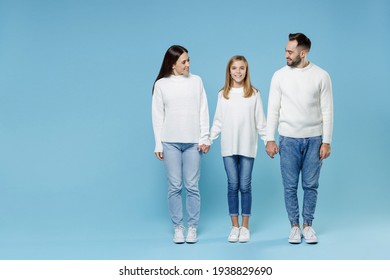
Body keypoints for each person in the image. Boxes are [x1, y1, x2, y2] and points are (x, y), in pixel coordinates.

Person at [265, 33, 333, 244]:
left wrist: (326, 141)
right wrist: (270, 138)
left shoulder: (321, 76)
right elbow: (273, 109)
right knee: (290, 186)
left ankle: (308, 226)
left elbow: (327, 110)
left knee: (311, 186)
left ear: (303, 53)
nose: (285, 54)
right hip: (288, 140)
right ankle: (294, 226)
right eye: (286, 50)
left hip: (314, 139)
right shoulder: (279, 76)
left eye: (289, 51)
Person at [152, 45, 210, 244]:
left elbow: (203, 110)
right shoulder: (161, 85)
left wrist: (205, 138)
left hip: (193, 142)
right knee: (175, 186)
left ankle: (192, 227)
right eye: (184, 61)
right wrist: (158, 144)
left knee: (192, 186)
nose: (188, 64)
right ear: (173, 64)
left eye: (188, 60)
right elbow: (158, 116)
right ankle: (178, 227)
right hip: (170, 143)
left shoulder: (197, 81)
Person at [210, 55, 267, 243]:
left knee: (245, 185)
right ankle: (234, 226)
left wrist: (268, 141)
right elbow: (218, 122)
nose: (238, 72)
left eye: (242, 68)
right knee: (232, 185)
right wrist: (208, 140)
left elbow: (261, 122)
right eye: (234, 68)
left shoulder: (254, 94)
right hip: (228, 147)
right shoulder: (222, 95)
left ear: (247, 70)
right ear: (229, 71)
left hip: (247, 147)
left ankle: (245, 227)